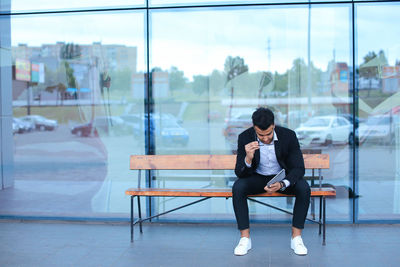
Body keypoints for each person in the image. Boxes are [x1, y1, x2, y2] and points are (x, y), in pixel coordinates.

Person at [232, 107, 310, 256]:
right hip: (258, 178)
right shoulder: (245, 137)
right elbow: (239, 173)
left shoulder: (288, 136)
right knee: (238, 187)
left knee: (304, 188)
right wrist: (248, 157)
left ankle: (296, 238)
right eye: (261, 135)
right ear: (255, 128)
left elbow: (299, 168)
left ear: (273, 125)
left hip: (281, 178)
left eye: (268, 133)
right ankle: (245, 239)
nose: (266, 138)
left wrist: (283, 183)